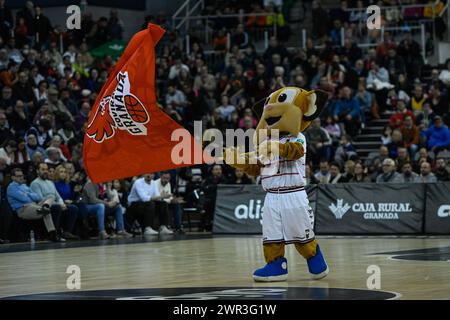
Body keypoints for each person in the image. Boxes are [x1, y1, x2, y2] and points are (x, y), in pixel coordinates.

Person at [7, 167, 63, 242]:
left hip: (34, 205)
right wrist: (30, 195)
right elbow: (24, 199)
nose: (21, 178)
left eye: (22, 176)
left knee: (51, 196)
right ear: (13, 177)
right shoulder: (11, 188)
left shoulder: (24, 186)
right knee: (46, 212)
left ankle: (45, 206)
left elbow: (38, 197)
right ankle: (52, 234)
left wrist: (27, 194)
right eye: (18, 176)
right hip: (23, 209)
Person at [30, 163, 78, 240]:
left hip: (55, 204)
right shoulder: (35, 183)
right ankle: (55, 233)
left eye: (46, 169)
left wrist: (62, 204)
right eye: (43, 169)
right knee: (57, 208)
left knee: (73, 208)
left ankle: (67, 232)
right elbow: (40, 199)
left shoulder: (50, 182)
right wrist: (58, 204)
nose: (45, 171)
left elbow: (58, 196)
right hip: (43, 206)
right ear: (37, 171)